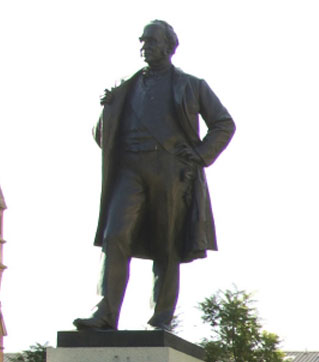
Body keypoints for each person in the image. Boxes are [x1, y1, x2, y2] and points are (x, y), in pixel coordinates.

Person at [80, 19, 234, 331]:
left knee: (167, 245)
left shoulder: (190, 85)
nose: (144, 47)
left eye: (151, 41)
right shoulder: (126, 86)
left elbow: (224, 123)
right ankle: (105, 313)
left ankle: (160, 320)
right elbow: (102, 137)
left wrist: (202, 155)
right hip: (129, 169)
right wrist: (107, 109)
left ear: (168, 46)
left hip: (170, 172)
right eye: (142, 41)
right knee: (115, 235)